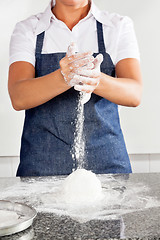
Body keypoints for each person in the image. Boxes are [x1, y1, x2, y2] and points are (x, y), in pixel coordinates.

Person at [8, 0, 142, 176]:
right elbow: (19, 97)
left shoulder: (117, 26)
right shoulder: (28, 29)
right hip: (41, 164)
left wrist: (96, 79)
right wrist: (63, 77)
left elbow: (134, 94)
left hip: (107, 164)